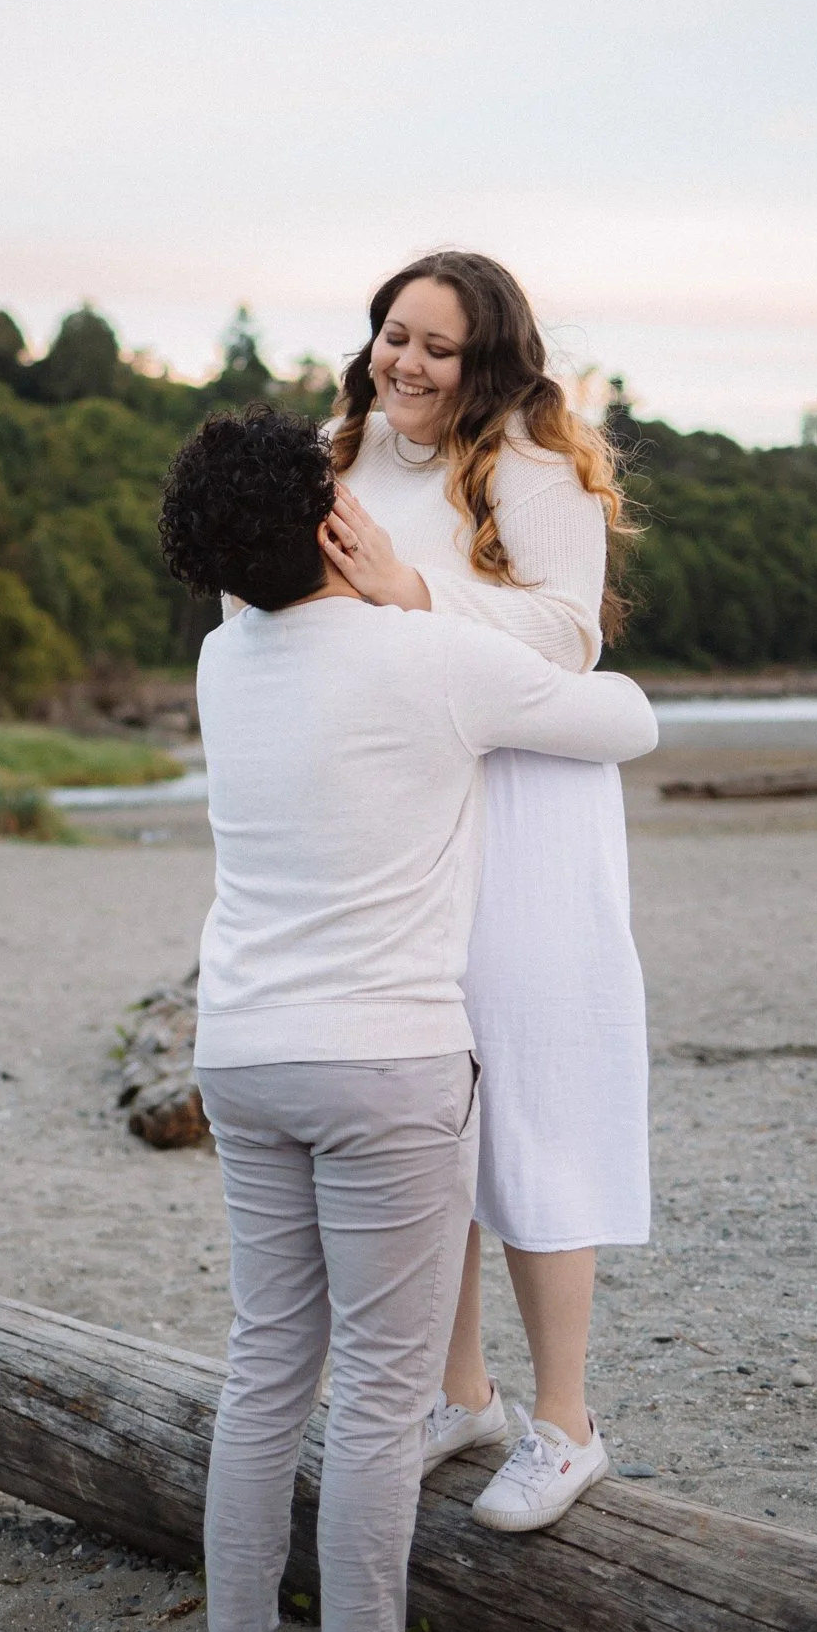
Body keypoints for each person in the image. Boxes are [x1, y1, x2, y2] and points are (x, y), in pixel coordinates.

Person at [157, 405, 657, 1632]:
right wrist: (426, 594)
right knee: (379, 1400)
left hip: (242, 1053)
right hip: (383, 1063)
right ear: (333, 521)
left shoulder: (220, 663)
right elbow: (626, 716)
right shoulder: (422, 656)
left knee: (268, 1371)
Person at [318, 250, 644, 1534]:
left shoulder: (534, 458)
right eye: (393, 334)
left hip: (531, 799)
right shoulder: (339, 459)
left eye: (437, 347)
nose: (405, 362)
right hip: (408, 803)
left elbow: (572, 635)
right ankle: (463, 1395)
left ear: (489, 360)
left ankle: (566, 1425)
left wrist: (416, 592)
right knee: (431, 1092)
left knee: (533, 1091)